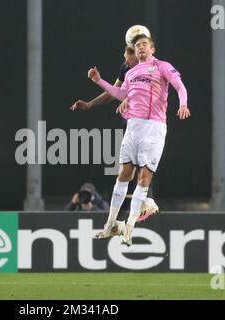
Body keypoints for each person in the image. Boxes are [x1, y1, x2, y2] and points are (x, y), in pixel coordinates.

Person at [87, 34, 190, 246]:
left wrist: (182, 104)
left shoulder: (161, 66)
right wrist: (99, 81)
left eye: (144, 45)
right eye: (137, 45)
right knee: (123, 175)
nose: (140, 48)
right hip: (133, 127)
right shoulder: (131, 72)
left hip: (154, 128)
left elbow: (179, 85)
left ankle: (129, 228)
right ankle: (110, 225)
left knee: (143, 180)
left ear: (152, 49)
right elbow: (120, 93)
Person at [71, 45, 159, 225]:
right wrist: (90, 104)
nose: (126, 61)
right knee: (126, 168)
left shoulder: (154, 67)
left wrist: (183, 103)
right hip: (131, 122)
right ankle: (127, 212)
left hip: (149, 124)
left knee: (141, 161)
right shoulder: (127, 68)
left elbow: (155, 91)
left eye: (129, 57)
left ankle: (147, 200)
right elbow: (114, 92)